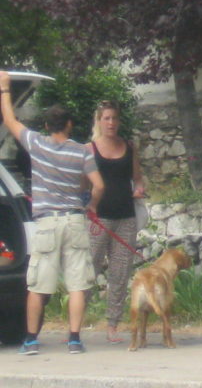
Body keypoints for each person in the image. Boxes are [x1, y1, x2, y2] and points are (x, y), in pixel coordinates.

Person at [0, 71, 105, 355]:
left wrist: (5, 88)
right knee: (77, 284)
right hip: (74, 221)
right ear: (69, 125)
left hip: (47, 223)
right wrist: (91, 205)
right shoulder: (82, 152)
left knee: (38, 285)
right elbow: (98, 185)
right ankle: (74, 340)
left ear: (47, 126)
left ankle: (31, 340)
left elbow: (9, 120)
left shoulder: (37, 143)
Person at [87, 101, 146, 344]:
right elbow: (82, 182)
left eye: (114, 118)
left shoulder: (129, 147)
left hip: (125, 216)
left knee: (120, 273)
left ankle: (113, 325)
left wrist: (139, 189)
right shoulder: (90, 149)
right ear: (99, 121)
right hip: (98, 218)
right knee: (89, 269)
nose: (111, 123)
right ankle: (75, 323)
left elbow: (138, 177)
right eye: (106, 118)